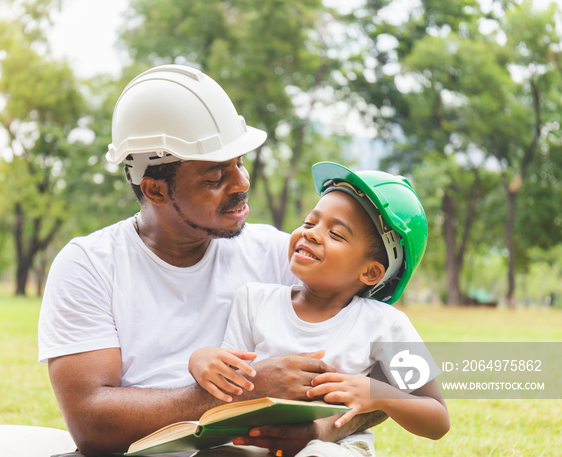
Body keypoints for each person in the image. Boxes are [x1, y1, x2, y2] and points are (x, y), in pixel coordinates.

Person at [38, 65, 386, 457]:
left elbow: (386, 377)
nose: (241, 183)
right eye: (215, 177)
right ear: (155, 190)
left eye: (239, 163)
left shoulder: (277, 256)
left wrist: (321, 428)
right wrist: (241, 393)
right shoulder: (89, 266)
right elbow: (91, 423)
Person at [189, 162, 450, 457]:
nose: (310, 234)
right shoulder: (253, 300)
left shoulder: (384, 324)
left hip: (337, 447)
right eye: (310, 223)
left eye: (336, 234)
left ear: (371, 273)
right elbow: (230, 378)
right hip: (255, 441)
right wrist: (201, 361)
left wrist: (378, 394)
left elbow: (437, 418)